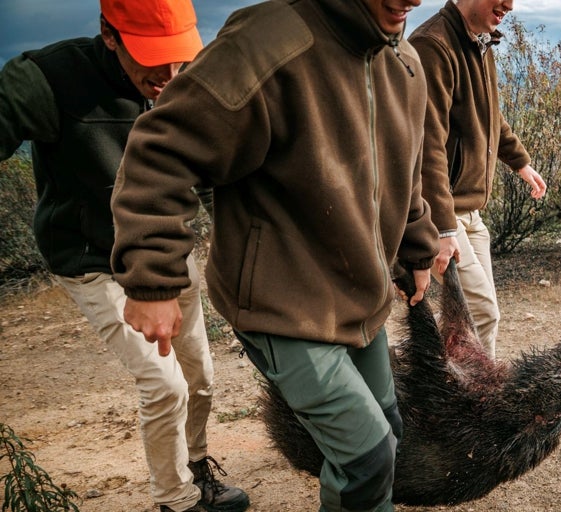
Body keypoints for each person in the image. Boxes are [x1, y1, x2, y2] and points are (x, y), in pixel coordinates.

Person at [108, 0, 438, 510]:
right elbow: (162, 149)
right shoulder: (272, 40)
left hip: (358, 301)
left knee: (387, 432)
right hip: (282, 302)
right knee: (366, 457)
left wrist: (416, 247)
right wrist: (152, 276)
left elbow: (406, 172)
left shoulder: (405, 64)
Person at [0, 1, 249, 511]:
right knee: (165, 385)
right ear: (109, 35)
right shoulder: (49, 79)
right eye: (152, 59)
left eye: (180, 58)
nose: (169, 77)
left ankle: (197, 468)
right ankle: (176, 500)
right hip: (93, 259)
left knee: (199, 376)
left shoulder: (186, 79)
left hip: (165, 251)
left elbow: (209, 171)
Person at [409, 0, 547, 359]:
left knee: (474, 320)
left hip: (471, 215)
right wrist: (441, 228)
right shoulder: (433, 46)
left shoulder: (480, 43)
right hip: (443, 213)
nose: (510, 5)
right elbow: (427, 146)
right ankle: (470, 399)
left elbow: (491, 118)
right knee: (482, 314)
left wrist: (521, 163)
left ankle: (466, 396)